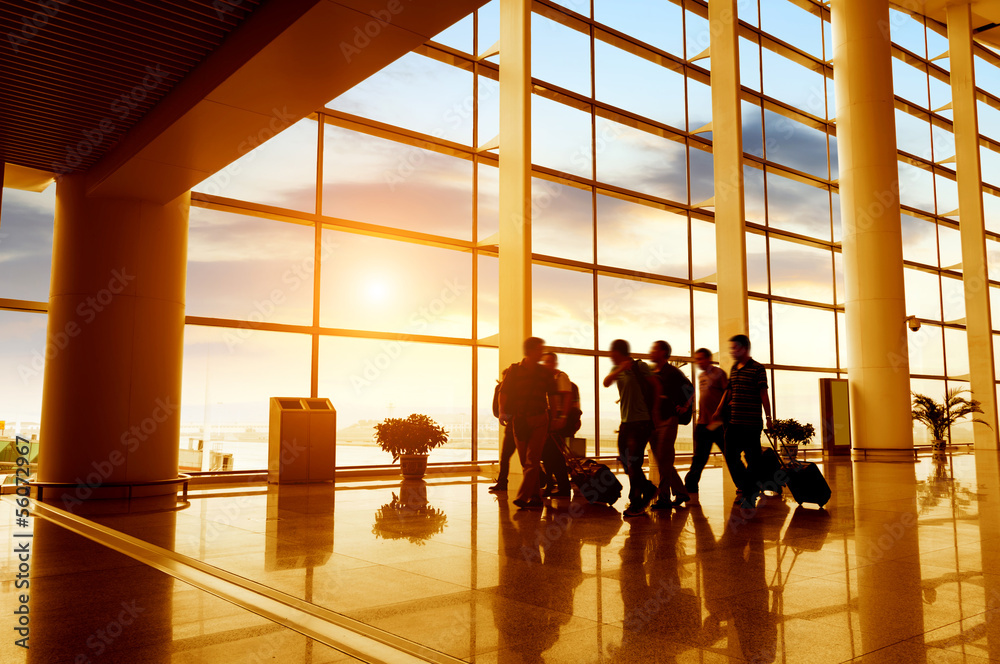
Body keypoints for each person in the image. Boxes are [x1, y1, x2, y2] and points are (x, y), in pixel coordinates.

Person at [713, 334, 772, 509]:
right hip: (734, 421)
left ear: (745, 348)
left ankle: (748, 494)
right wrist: (719, 409)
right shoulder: (734, 368)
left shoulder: (758, 369)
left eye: (735, 348)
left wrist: (769, 418)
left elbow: (763, 394)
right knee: (730, 456)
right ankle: (748, 487)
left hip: (752, 423)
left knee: (752, 459)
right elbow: (729, 391)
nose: (732, 351)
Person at [498, 337, 557, 510]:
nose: (542, 352)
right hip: (520, 419)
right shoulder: (514, 370)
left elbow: (552, 396)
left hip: (540, 418)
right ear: (530, 351)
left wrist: (553, 417)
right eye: (540, 349)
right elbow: (504, 392)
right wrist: (502, 411)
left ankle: (523, 497)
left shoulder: (544, 372)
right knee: (526, 461)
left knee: (532, 459)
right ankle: (537, 497)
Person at [603, 339, 656, 517]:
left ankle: (636, 503)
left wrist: (654, 414)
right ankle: (648, 489)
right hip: (626, 422)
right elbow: (606, 382)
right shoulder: (616, 369)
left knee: (633, 463)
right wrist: (620, 368)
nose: (611, 356)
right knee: (625, 461)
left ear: (619, 352)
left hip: (641, 421)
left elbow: (656, 387)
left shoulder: (640, 367)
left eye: (612, 353)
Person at [648, 340, 695, 510]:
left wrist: (684, 406)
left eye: (654, 349)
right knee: (663, 460)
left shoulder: (672, 372)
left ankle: (664, 498)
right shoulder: (652, 372)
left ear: (663, 353)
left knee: (664, 459)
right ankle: (681, 492)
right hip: (654, 421)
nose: (651, 352)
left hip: (668, 419)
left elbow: (690, 389)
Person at [683, 348, 729, 504]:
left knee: (730, 455)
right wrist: (686, 406)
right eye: (697, 360)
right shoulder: (701, 375)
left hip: (717, 423)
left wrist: (720, 411)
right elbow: (698, 395)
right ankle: (690, 486)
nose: (698, 362)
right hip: (703, 423)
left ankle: (744, 486)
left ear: (709, 359)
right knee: (699, 457)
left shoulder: (719, 373)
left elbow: (728, 392)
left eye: (701, 359)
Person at [539, 352, 572, 497]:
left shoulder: (560, 377)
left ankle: (562, 485)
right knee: (548, 454)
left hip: (557, 417)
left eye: (550, 362)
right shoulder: (546, 379)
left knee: (554, 454)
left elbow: (567, 397)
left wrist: (562, 417)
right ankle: (553, 483)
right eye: (545, 362)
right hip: (549, 416)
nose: (547, 365)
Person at [489, 367, 515, 493]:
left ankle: (502, 482)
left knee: (506, 456)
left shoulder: (500, 388)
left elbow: (496, 408)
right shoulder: (514, 389)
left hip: (513, 424)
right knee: (524, 457)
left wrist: (502, 414)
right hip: (516, 423)